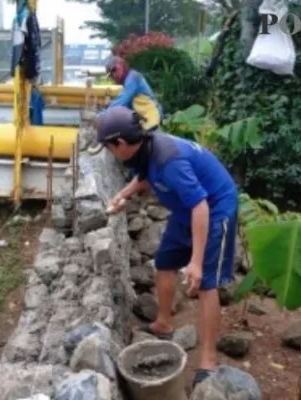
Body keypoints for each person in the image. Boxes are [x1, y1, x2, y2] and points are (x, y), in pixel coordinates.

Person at [98, 106, 238, 388]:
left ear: (121, 144)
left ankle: (208, 362)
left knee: (206, 284)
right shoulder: (147, 148)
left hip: (214, 209)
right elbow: (146, 176)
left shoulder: (169, 160)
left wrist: (196, 262)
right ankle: (163, 323)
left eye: (108, 148)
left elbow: (200, 205)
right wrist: (122, 195)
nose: (109, 153)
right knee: (165, 261)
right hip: (188, 209)